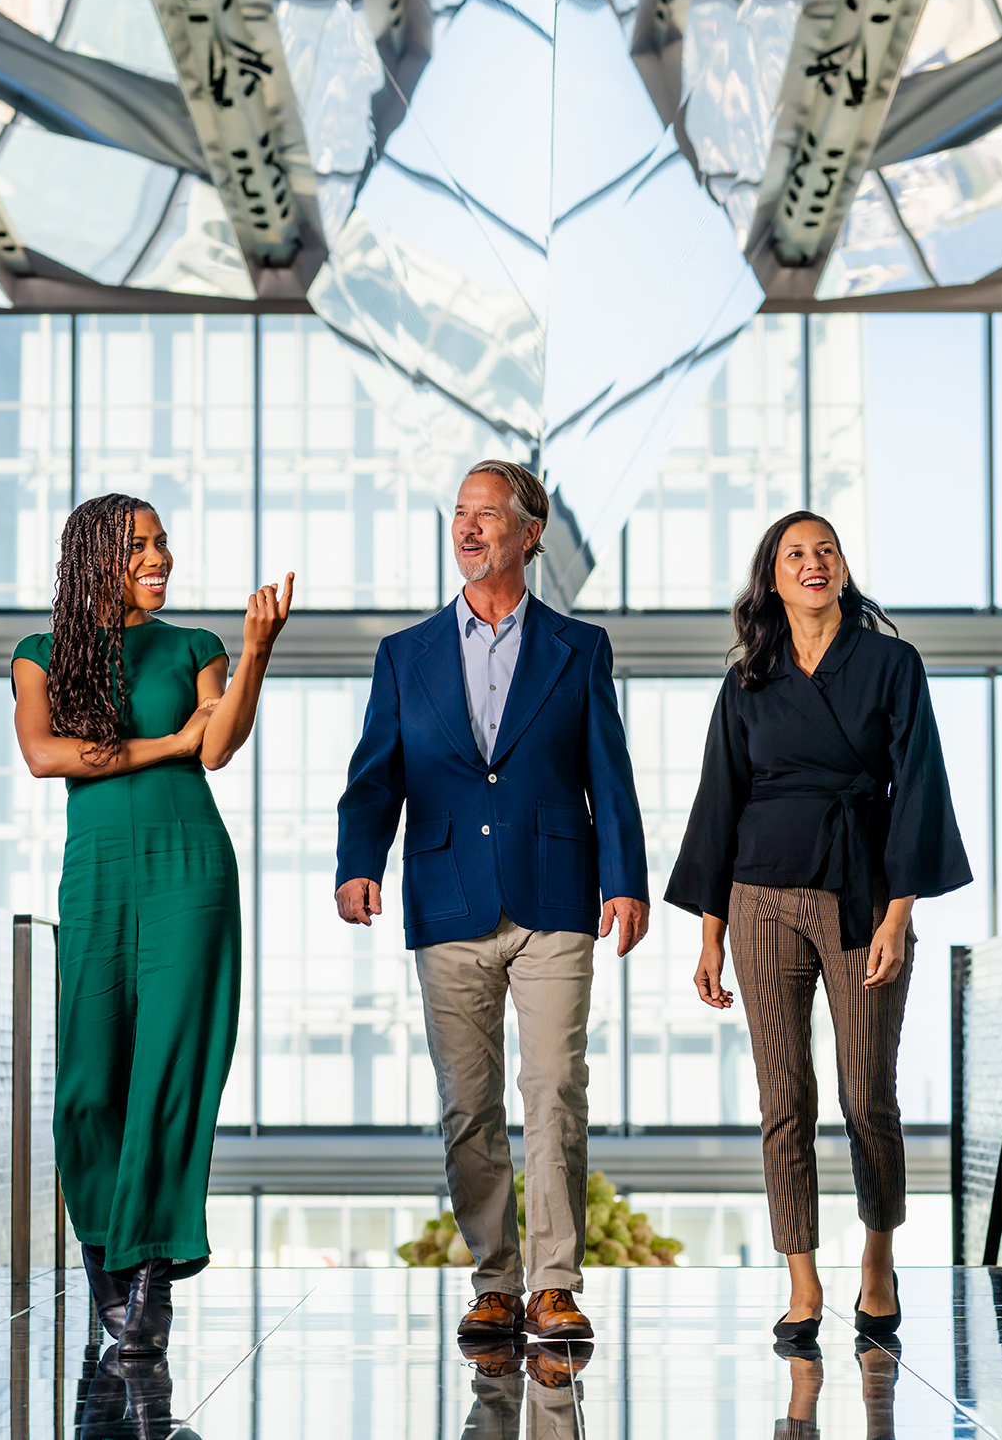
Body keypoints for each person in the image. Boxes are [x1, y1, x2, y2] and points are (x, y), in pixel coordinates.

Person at [334, 460, 649, 1345]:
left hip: (555, 892)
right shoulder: (405, 654)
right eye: (459, 515)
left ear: (529, 531)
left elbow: (607, 774)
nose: (468, 529)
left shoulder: (578, 648)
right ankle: (494, 1282)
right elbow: (373, 777)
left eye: (487, 515)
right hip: (445, 893)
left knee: (554, 1088)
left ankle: (553, 1284)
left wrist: (624, 876)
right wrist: (359, 860)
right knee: (467, 1102)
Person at [665, 511, 970, 1343]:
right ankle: (802, 1284)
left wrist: (899, 913)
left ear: (841, 567)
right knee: (782, 1098)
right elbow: (717, 803)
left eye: (824, 550)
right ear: (771, 577)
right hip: (758, 894)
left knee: (866, 1093)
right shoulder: (746, 680)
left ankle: (876, 1262)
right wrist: (709, 931)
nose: (812, 562)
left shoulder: (890, 664)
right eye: (794, 553)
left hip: (860, 895)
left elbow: (920, 786)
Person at [12, 493, 291, 1357]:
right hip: (97, 874)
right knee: (90, 1083)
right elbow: (44, 753)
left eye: (163, 541)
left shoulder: (197, 646)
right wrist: (165, 742)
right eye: (139, 544)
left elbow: (218, 746)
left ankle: (144, 1270)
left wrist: (254, 654)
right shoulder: (41, 652)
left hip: (189, 871)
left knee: (172, 1071)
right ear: (95, 554)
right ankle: (105, 1242)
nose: (159, 556)